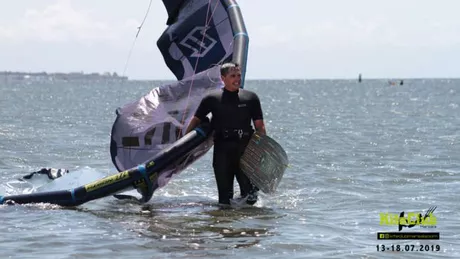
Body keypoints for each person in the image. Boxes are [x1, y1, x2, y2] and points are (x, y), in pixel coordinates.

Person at [185, 62, 266, 206]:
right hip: (223, 151)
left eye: (239, 75)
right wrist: (184, 143)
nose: (237, 79)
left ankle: (249, 227)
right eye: (233, 76)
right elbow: (195, 120)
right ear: (223, 78)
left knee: (250, 198)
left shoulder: (251, 98)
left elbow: (260, 127)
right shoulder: (212, 98)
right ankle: (226, 226)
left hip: (246, 151)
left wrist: (262, 151)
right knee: (224, 200)